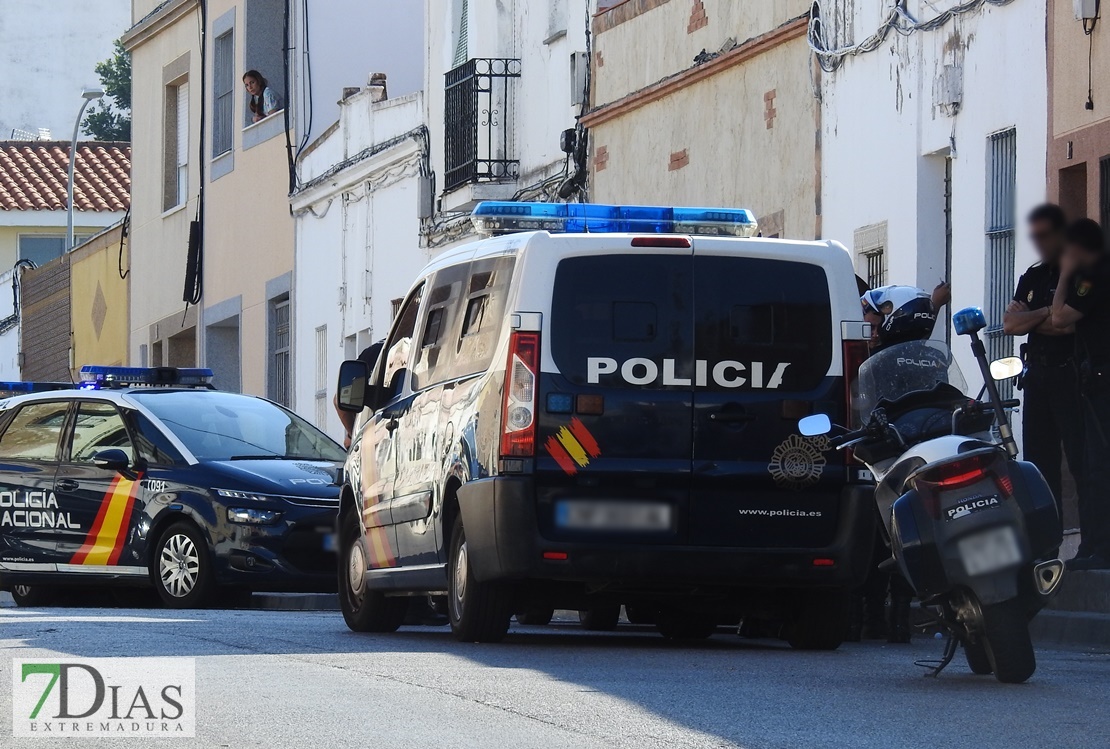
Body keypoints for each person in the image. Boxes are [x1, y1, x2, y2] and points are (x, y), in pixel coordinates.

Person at [855, 283, 947, 643]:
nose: (872, 330)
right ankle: (889, 617)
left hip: (897, 454)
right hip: (919, 451)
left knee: (882, 532)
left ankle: (878, 616)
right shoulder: (934, 356)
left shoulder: (877, 363)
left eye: (878, 321)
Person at [1004, 204, 1085, 522]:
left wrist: (1031, 316)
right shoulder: (1033, 275)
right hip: (1036, 377)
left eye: (1045, 235)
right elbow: (1010, 324)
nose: (1039, 242)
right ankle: (1048, 543)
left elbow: (1066, 325)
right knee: (1038, 465)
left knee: (1081, 461)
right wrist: (1046, 313)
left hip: (1070, 375)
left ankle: (1091, 545)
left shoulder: (1080, 276)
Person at [1051, 218, 1110, 570]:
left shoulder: (1093, 276)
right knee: (1092, 465)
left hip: (1102, 382)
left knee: (1097, 466)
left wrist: (1064, 277)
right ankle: (1093, 546)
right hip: (1097, 381)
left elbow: (1059, 318)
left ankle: (1097, 549)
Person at [334, 342, 383, 449]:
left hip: (375, 440)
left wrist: (353, 436)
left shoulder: (378, 351)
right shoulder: (378, 352)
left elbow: (339, 401)